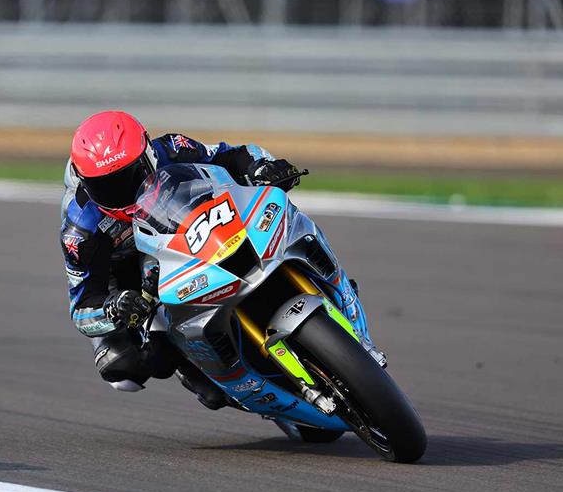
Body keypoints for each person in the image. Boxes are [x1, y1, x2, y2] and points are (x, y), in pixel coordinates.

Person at [60, 110, 376, 410]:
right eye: (107, 186)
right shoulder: (82, 231)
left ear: (147, 156)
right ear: (85, 181)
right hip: (129, 276)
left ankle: (333, 287)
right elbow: (82, 307)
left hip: (194, 229)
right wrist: (113, 307)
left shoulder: (171, 148)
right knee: (131, 365)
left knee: (284, 222)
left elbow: (231, 155)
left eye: (131, 176)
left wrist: (262, 166)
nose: (122, 191)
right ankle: (210, 371)